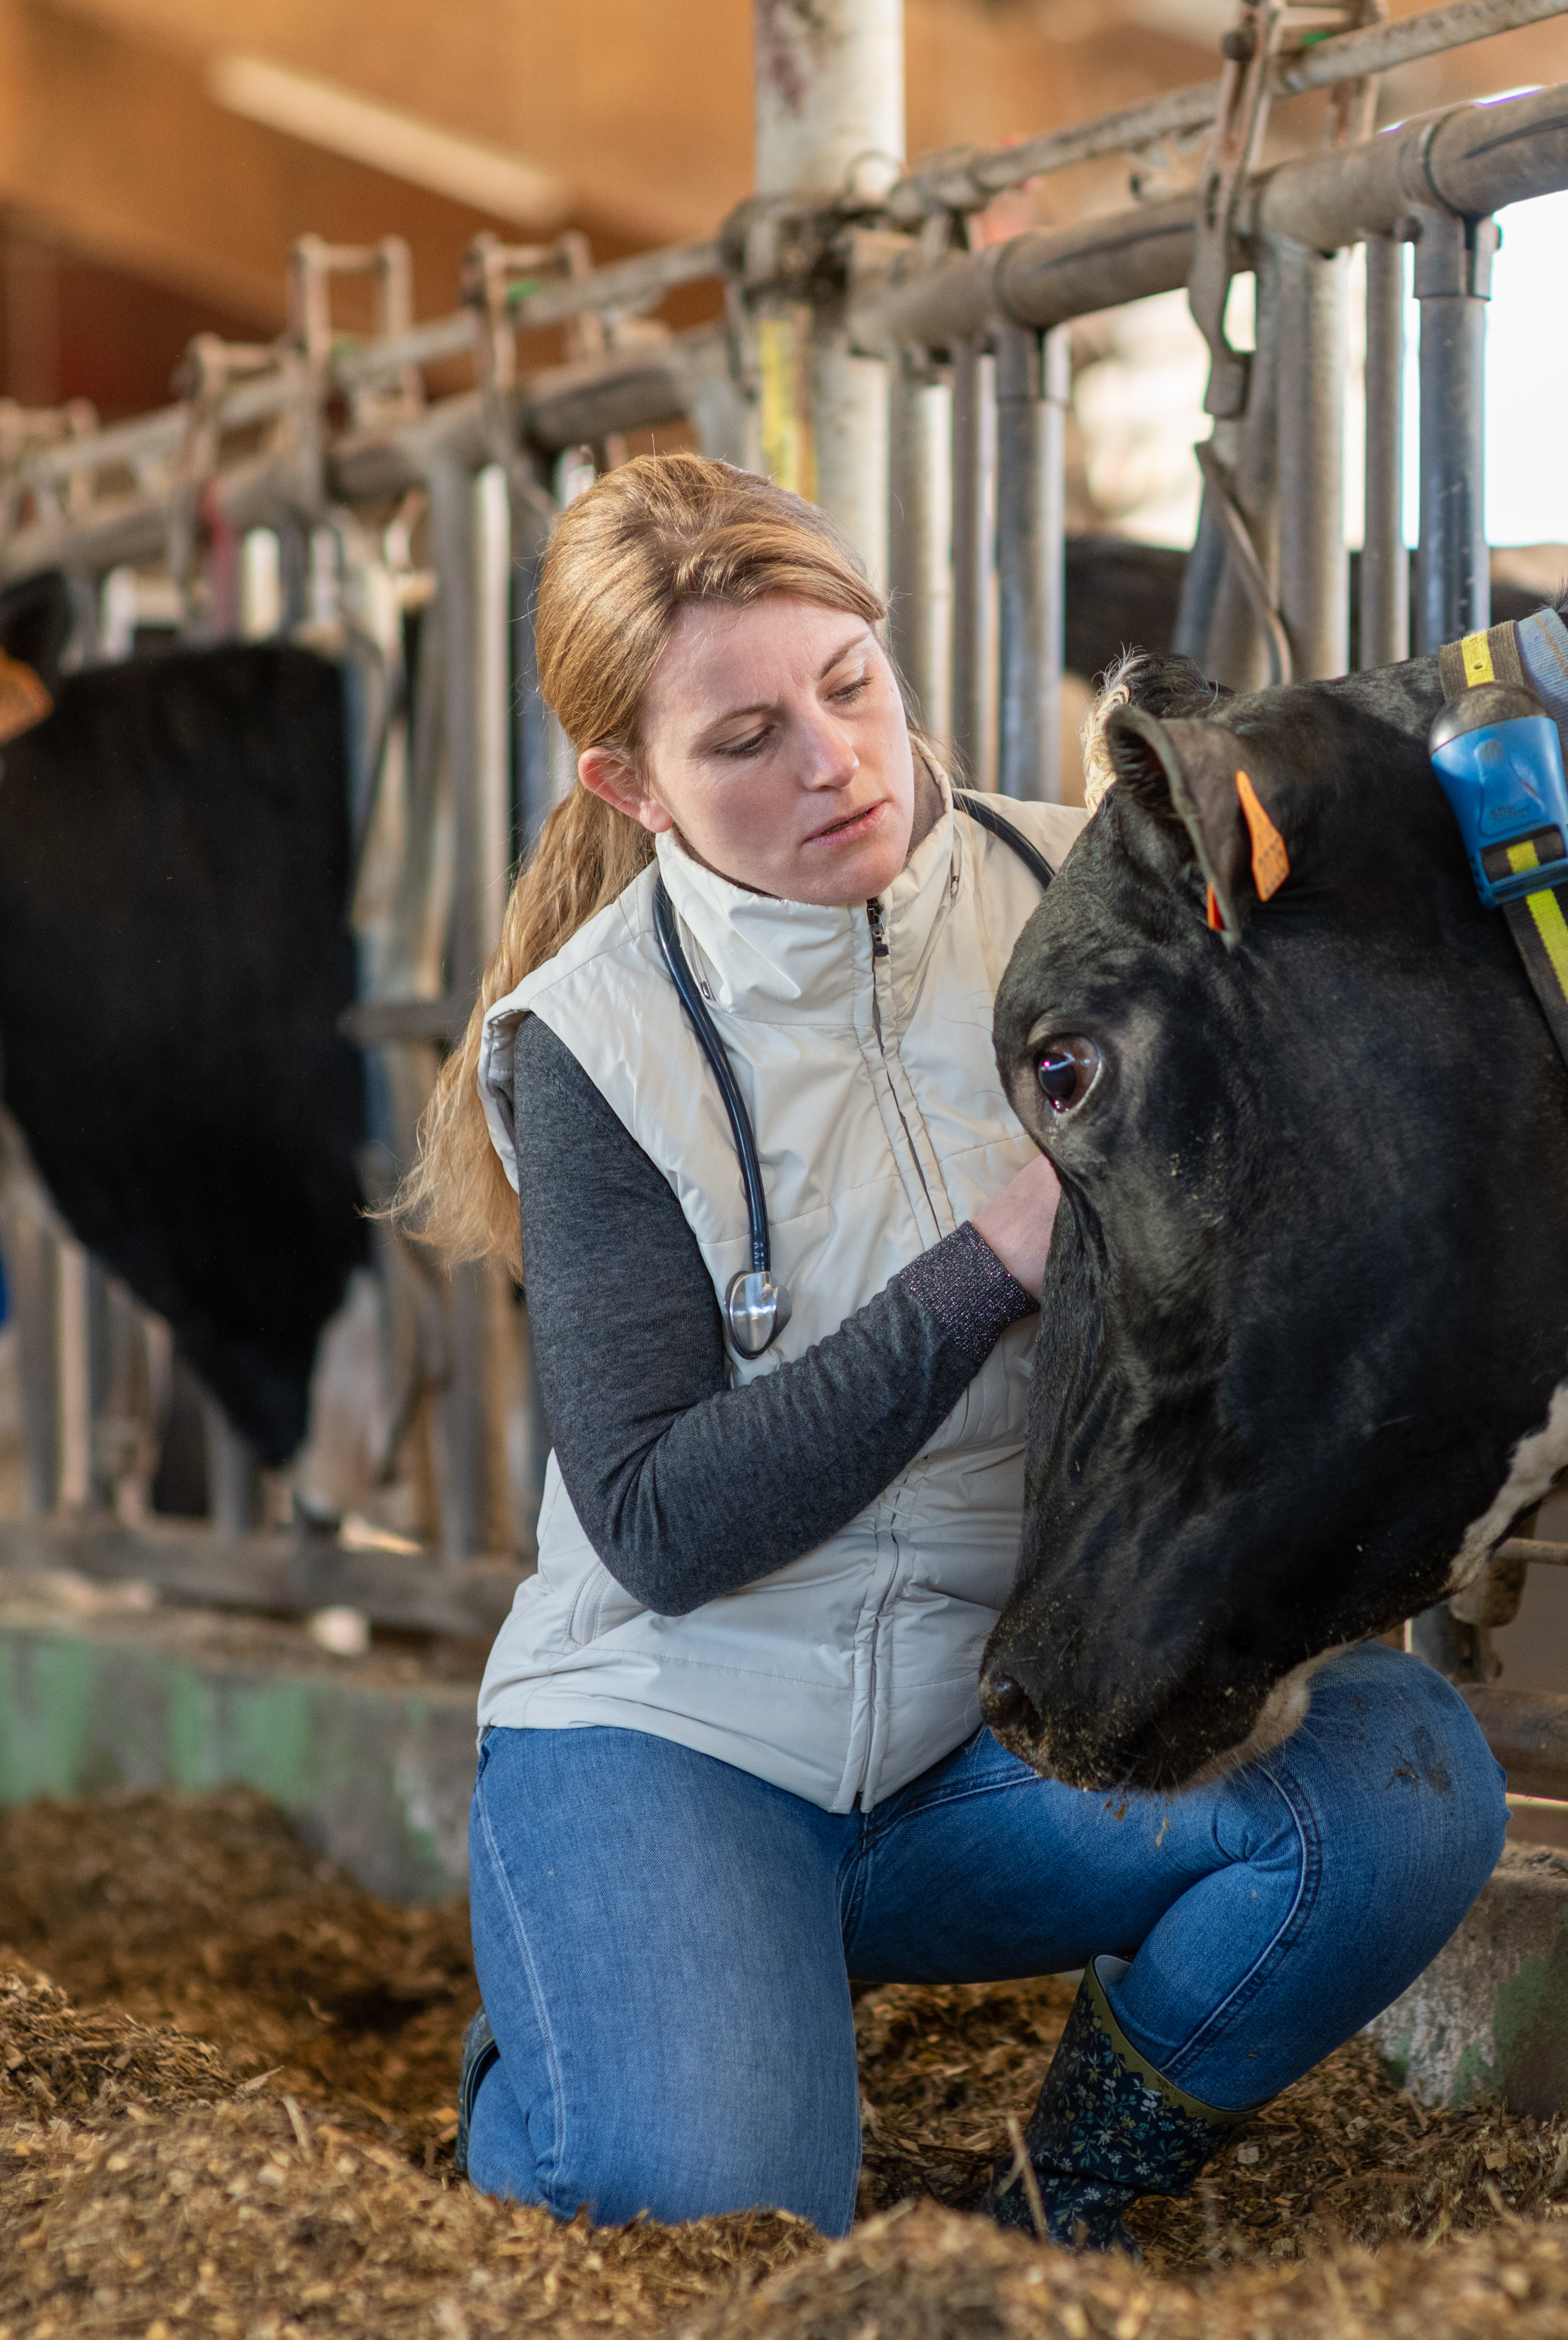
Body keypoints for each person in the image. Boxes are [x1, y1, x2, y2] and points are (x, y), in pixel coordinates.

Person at [392, 454, 1508, 2251]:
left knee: (1392, 1784)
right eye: (741, 739)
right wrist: (986, 1262)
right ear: (630, 784)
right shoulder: (589, 1048)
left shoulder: (1087, 895)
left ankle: (1058, 2204)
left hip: (1007, 1736)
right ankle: (606, 2016)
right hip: (691, 1732)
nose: (830, 761)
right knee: (709, 2220)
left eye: (847, 684)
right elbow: (664, 1526)